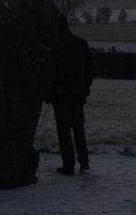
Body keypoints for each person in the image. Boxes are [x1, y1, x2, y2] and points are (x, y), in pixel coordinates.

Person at [45, 16, 94, 175]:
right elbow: (89, 70)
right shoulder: (81, 43)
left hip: (60, 96)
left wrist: (48, 93)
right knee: (79, 128)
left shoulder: (55, 47)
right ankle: (84, 161)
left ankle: (68, 164)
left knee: (64, 131)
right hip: (78, 95)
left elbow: (50, 73)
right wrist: (85, 89)